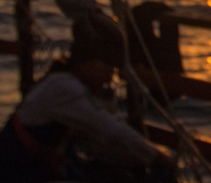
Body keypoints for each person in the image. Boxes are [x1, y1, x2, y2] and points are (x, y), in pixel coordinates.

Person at [0, 11, 176, 183]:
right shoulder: (65, 89)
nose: (109, 77)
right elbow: (111, 131)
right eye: (108, 67)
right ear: (89, 61)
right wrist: (157, 156)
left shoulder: (64, 83)